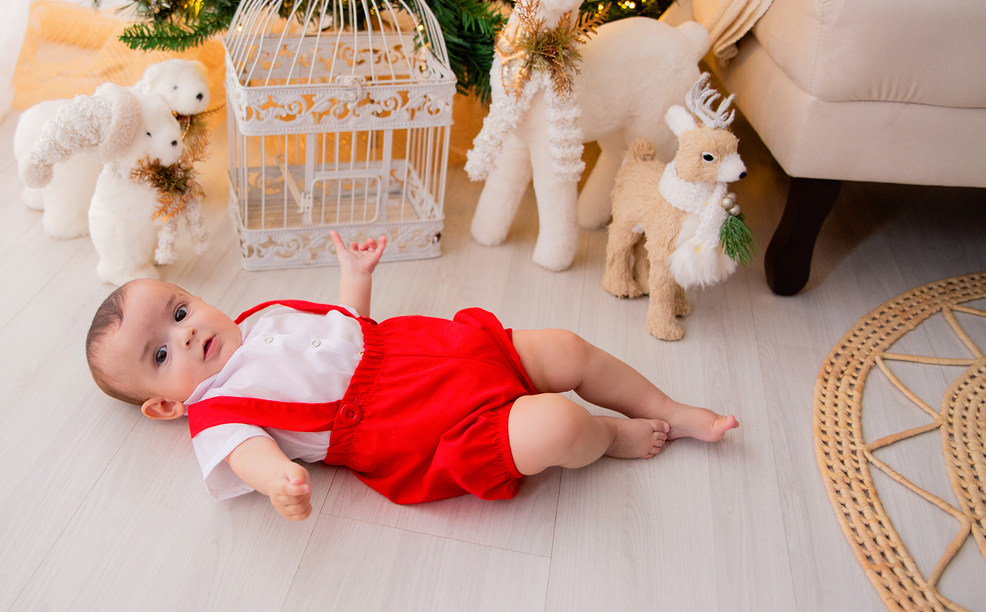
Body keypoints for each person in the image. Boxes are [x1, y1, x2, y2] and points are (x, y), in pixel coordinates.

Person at [86, 232, 738, 521]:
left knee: (565, 348)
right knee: (558, 426)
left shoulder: (261, 316)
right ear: (165, 407)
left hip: (430, 350)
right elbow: (247, 452)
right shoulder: (216, 410)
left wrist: (355, 280)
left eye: (179, 311)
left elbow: (345, 332)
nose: (184, 333)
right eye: (160, 355)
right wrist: (277, 479)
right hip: (416, 428)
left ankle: (668, 407)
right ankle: (608, 435)